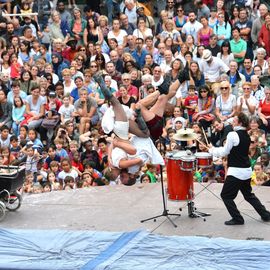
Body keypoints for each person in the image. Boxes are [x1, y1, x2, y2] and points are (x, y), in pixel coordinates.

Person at [209, 113, 270, 225]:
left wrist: (212, 150)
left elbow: (225, 152)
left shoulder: (233, 135)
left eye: (235, 120)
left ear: (240, 123)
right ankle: (265, 214)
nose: (232, 121)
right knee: (248, 195)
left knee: (226, 196)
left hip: (236, 171)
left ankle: (237, 218)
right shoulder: (246, 134)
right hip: (246, 171)